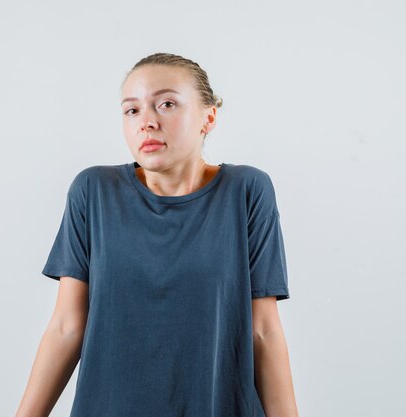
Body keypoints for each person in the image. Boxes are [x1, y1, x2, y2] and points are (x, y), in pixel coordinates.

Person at [15, 52, 299, 417]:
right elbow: (67, 327)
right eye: (132, 110)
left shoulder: (247, 190)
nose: (146, 122)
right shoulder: (93, 191)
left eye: (166, 104)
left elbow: (264, 332)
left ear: (208, 117)